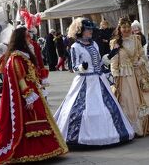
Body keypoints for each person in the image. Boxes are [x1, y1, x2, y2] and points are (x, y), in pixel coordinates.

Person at [54, 17, 134, 146]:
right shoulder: (75, 47)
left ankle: (111, 133)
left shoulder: (94, 44)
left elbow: (99, 62)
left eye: (91, 29)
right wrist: (82, 67)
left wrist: (110, 54)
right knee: (83, 108)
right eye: (87, 29)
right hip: (85, 81)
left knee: (107, 107)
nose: (90, 31)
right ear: (80, 31)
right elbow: (74, 67)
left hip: (99, 78)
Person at [0, 27, 68, 164]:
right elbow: (20, 77)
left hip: (34, 89)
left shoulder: (25, 54)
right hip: (27, 93)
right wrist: (28, 95)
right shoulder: (16, 56)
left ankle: (46, 148)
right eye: (27, 36)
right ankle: (29, 151)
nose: (30, 39)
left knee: (41, 116)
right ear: (20, 39)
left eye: (29, 36)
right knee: (30, 119)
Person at [110, 17, 149, 136]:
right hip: (125, 76)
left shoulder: (136, 39)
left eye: (128, 27)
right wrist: (115, 75)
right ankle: (133, 126)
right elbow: (114, 61)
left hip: (140, 73)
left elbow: (143, 55)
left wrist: (140, 61)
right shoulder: (115, 42)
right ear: (119, 28)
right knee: (129, 101)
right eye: (124, 27)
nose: (126, 29)